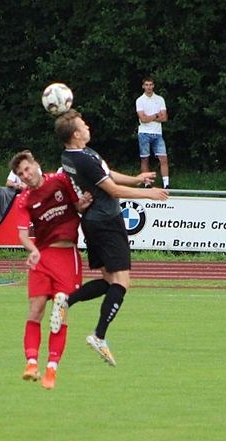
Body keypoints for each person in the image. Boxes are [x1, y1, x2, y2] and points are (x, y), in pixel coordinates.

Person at [53, 109, 169, 366]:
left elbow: (108, 174)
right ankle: (99, 336)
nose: (87, 127)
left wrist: (137, 179)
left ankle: (66, 301)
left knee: (109, 281)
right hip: (106, 222)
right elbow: (113, 189)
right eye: (83, 125)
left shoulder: (76, 154)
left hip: (94, 221)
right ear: (75, 134)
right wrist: (149, 194)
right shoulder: (82, 159)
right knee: (122, 282)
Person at [11, 151, 92, 389]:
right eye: (21, 174)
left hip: (66, 256)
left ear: (35, 164)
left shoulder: (60, 180)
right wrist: (32, 250)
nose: (26, 175)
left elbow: (77, 206)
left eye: (27, 169)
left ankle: (52, 368)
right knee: (35, 309)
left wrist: (84, 204)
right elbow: (22, 235)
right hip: (43, 257)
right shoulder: (24, 200)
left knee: (60, 310)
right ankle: (31, 363)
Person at [136, 77, 170, 188]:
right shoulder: (140, 100)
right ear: (143, 86)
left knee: (163, 158)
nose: (149, 87)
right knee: (145, 159)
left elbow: (164, 118)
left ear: (153, 86)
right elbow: (143, 119)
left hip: (157, 133)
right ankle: (147, 183)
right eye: (146, 85)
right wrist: (156, 115)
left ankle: (166, 184)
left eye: (150, 85)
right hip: (144, 133)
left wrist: (149, 117)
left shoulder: (160, 99)